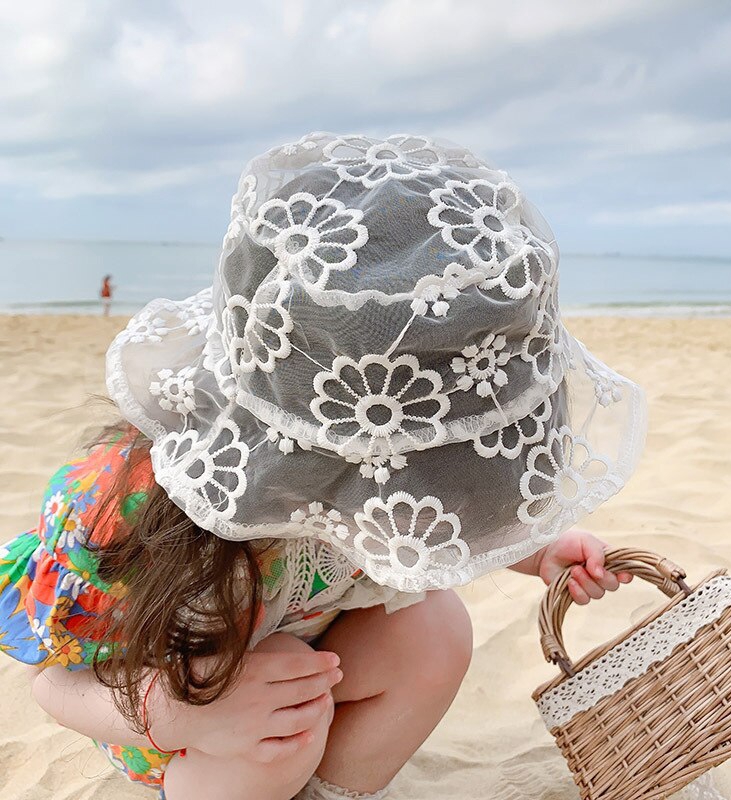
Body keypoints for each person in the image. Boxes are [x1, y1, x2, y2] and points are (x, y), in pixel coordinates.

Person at [0, 132, 646, 800]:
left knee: (436, 628)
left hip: (299, 665)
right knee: (279, 713)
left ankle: (327, 791)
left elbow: (430, 511)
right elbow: (51, 678)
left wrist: (535, 551)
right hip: (174, 710)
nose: (420, 490)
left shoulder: (387, 486)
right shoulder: (137, 505)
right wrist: (180, 713)